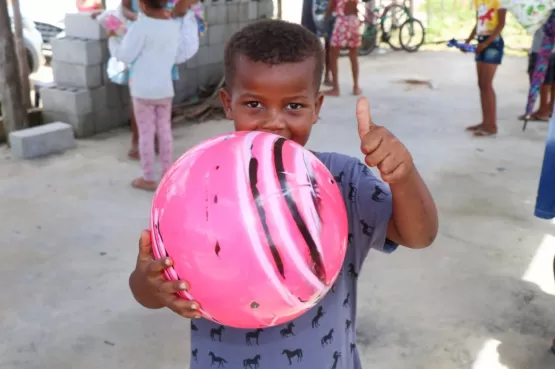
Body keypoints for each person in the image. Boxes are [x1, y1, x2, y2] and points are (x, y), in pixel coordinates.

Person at [128, 20, 438, 369]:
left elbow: (419, 235)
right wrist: (150, 285)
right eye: (255, 104)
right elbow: (147, 288)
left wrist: (404, 175)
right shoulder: (197, 185)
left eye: (294, 106)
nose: (274, 122)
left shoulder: (342, 181)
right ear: (228, 103)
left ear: (317, 107)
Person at [111, 0, 182, 191]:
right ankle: (167, 176)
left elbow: (125, 55)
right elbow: (177, 55)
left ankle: (148, 178)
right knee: (165, 131)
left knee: (145, 134)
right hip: (164, 89)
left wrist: (112, 41)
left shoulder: (140, 26)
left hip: (142, 90)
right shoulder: (174, 27)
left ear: (141, 5)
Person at [121, 0, 199, 160]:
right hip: (146, 45)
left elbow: (187, 5)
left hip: (160, 47)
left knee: (145, 102)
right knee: (148, 105)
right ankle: (143, 144)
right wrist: (137, 17)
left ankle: (151, 153)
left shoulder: (164, 24)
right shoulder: (145, 25)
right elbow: (124, 7)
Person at [464, 0, 506, 137]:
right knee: (482, 84)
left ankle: (492, 126)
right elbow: (479, 23)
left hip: (492, 42)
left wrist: (487, 43)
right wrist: (468, 40)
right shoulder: (478, 1)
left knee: (487, 84)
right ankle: (485, 122)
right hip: (481, 41)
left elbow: (500, 24)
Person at [324, 0, 361, 96]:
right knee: (353, 55)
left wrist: (325, 19)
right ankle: (355, 87)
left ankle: (336, 88)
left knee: (333, 55)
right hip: (354, 21)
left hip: (342, 21)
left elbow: (331, 6)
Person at [519, 26, 555, 122]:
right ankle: (550, 108)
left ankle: (543, 110)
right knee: (551, 79)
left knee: (542, 79)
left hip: (542, 47)